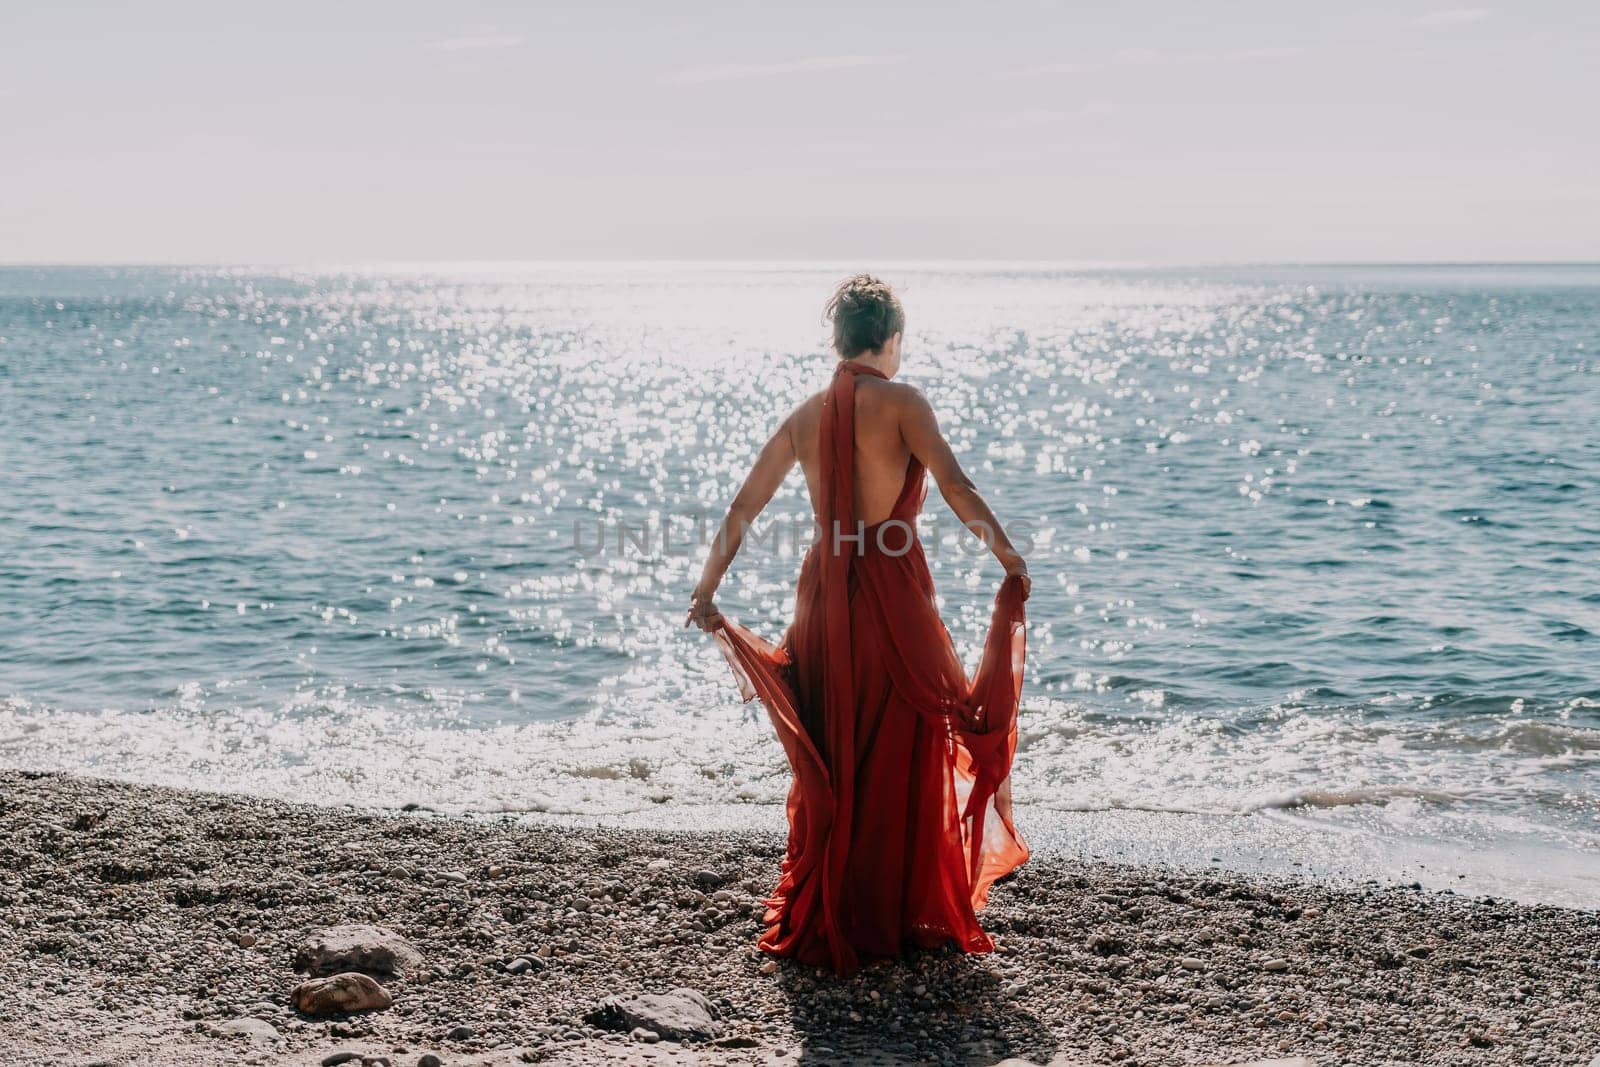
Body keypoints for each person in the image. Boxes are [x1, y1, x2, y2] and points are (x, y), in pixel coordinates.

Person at [686, 274, 1031, 975]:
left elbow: (744, 507)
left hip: (823, 597)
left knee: (838, 745)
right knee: (904, 743)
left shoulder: (805, 415)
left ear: (839, 341)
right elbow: (957, 487)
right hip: (894, 595)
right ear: (891, 339)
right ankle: (898, 908)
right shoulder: (903, 403)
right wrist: (1009, 556)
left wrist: (706, 590)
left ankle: (843, 905)